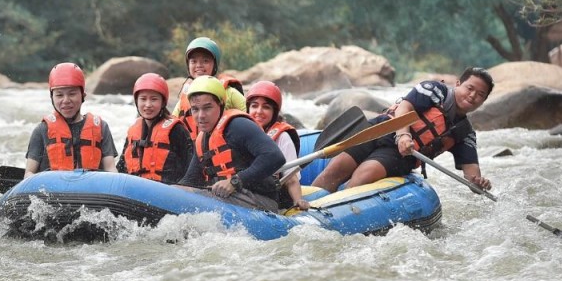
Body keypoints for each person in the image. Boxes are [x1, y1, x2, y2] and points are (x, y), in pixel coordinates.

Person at [310, 67, 495, 192]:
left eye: (480, 95)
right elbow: (405, 107)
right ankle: (302, 210)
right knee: (334, 171)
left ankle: (333, 211)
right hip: (380, 130)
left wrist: (478, 183)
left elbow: (471, 173)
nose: (472, 96)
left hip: (403, 155)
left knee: (365, 174)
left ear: (484, 100)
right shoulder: (434, 90)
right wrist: (403, 135)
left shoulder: (465, 133)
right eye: (469, 88)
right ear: (457, 84)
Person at [177, 75, 285, 211]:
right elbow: (189, 181)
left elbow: (275, 157)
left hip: (261, 201)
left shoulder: (238, 125)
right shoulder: (202, 139)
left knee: (196, 198)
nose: (200, 116)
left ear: (221, 105)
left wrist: (235, 181)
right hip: (229, 198)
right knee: (180, 190)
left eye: (207, 108)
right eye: (195, 109)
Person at [24, 62, 118, 176]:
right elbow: (29, 173)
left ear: (83, 95)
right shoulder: (41, 130)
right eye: (59, 95)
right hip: (53, 190)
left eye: (72, 94)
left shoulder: (102, 127)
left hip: (91, 190)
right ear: (52, 97)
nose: (66, 100)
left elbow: (111, 169)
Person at [116, 72, 194, 184]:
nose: (148, 104)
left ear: (163, 102)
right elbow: (121, 170)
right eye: (143, 99)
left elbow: (191, 168)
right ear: (136, 102)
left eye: (154, 99)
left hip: (167, 193)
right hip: (134, 192)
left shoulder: (176, 130)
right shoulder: (133, 131)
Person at [246, 80, 310, 210]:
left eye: (266, 107)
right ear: (247, 109)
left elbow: (291, 179)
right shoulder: (241, 132)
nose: (259, 111)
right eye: (254, 106)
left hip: (274, 196)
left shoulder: (282, 137)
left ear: (274, 112)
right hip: (247, 191)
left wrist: (298, 200)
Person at [173, 36, 221, 136]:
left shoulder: (227, 91)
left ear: (215, 65)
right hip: (192, 148)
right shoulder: (185, 96)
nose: (199, 65)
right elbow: (172, 121)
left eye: (205, 61)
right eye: (193, 61)